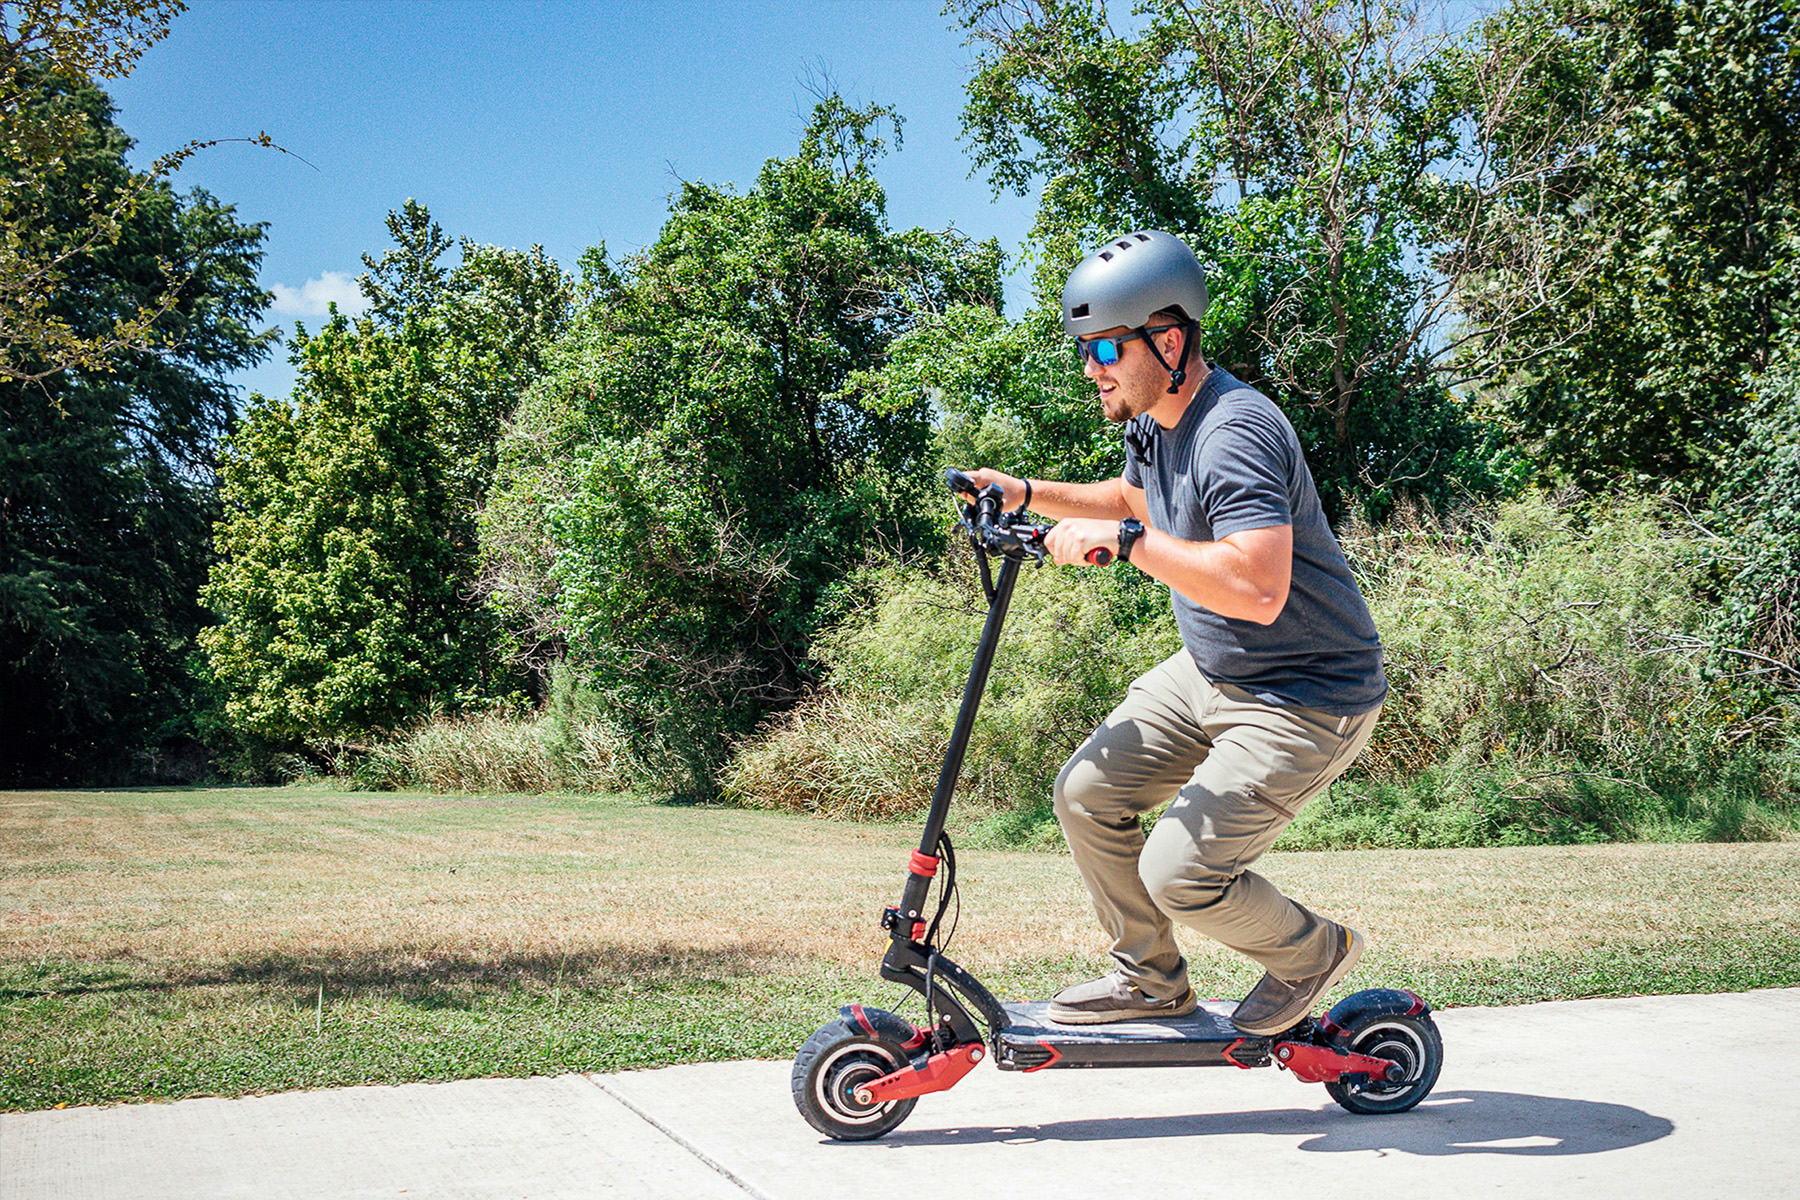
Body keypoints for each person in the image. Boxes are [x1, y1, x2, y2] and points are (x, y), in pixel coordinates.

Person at [959, 229, 1387, 1036]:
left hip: (1304, 695)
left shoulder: (1237, 432)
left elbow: (1259, 588)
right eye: (1085, 349)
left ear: (1169, 337)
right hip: (1213, 671)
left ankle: (1310, 952)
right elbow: (1131, 501)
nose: (1092, 368)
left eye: (1106, 347)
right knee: (1087, 794)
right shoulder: (1156, 419)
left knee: (1180, 873)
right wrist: (1022, 492)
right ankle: (1150, 982)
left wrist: (1128, 551)